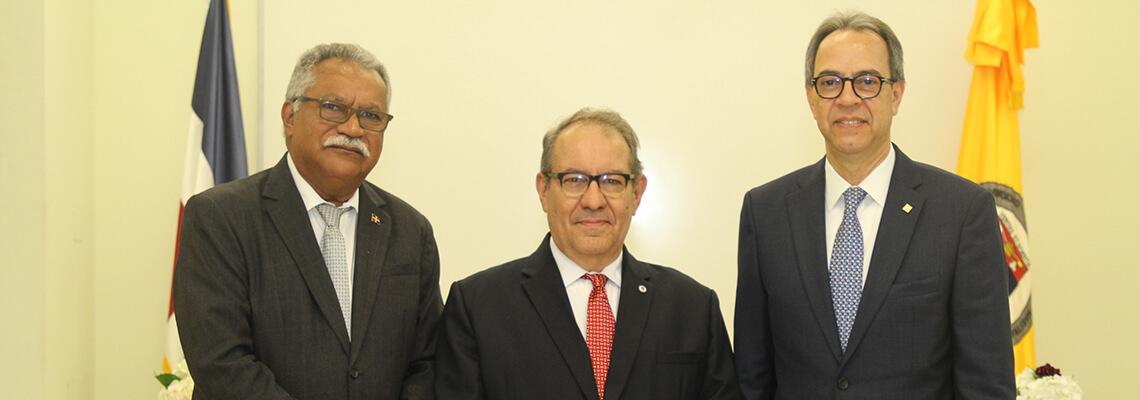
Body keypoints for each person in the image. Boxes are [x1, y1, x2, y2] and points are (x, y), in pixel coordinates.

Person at [734, 11, 1015, 399]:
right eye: (830, 82)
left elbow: (986, 383)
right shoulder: (765, 213)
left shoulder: (962, 212)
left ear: (896, 94)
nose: (847, 98)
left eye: (867, 81)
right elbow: (752, 379)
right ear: (812, 98)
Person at [173, 43, 441, 399]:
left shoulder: (410, 230)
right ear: (290, 116)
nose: (353, 128)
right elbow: (222, 363)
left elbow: (428, 363)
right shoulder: (221, 218)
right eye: (334, 108)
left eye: (371, 116)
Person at [435, 108, 741, 400]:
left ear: (636, 193)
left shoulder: (693, 307)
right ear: (544, 191)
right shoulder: (477, 306)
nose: (593, 201)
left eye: (612, 181)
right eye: (574, 180)